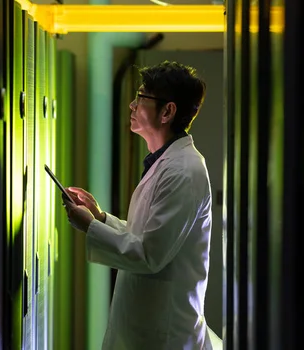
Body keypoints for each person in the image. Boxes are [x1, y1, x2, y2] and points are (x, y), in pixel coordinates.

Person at [63, 61, 220, 349]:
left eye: (141, 97)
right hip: (149, 329)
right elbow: (148, 236)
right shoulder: (166, 162)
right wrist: (100, 217)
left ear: (167, 111)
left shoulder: (184, 171)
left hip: (165, 335)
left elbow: (149, 254)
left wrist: (90, 227)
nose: (133, 105)